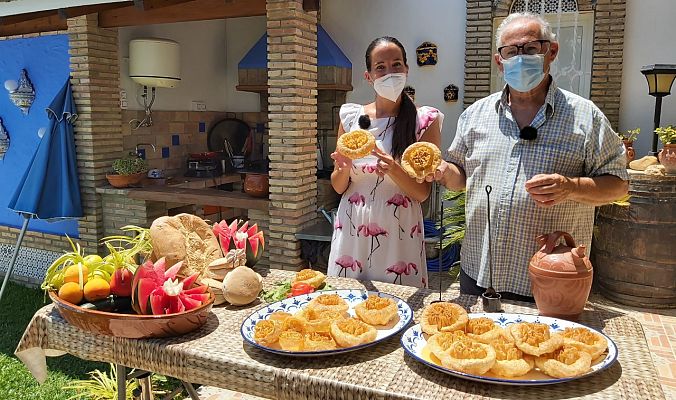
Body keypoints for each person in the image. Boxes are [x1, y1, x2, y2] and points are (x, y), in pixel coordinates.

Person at [426, 12, 629, 301]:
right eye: (511, 51)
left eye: (532, 48)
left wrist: (571, 187)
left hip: (553, 277)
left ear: (551, 51)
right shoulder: (475, 116)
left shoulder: (586, 117)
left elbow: (619, 185)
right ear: (499, 61)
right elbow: (460, 177)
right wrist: (442, 171)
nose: (521, 58)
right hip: (481, 272)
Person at [327, 36, 443, 288]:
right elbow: (338, 187)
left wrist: (394, 168)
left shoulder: (425, 121)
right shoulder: (350, 118)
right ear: (368, 76)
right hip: (352, 225)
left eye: (396, 64)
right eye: (380, 66)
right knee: (349, 305)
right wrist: (343, 168)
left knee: (398, 305)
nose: (389, 72)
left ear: (407, 69)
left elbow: (422, 193)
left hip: (400, 230)